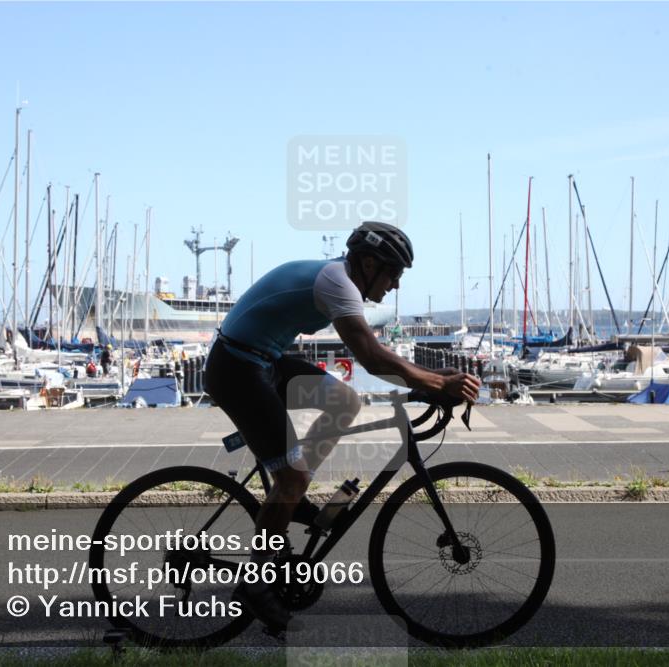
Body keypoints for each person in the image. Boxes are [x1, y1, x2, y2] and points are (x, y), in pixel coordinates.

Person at [203, 221, 480, 633]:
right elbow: (372, 356)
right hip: (237, 367)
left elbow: (383, 357)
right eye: (393, 274)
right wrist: (439, 382)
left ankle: (291, 498)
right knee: (291, 477)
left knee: (343, 400)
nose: (395, 285)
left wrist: (431, 384)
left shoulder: (340, 278)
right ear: (368, 263)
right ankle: (255, 583)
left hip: (262, 359)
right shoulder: (336, 283)